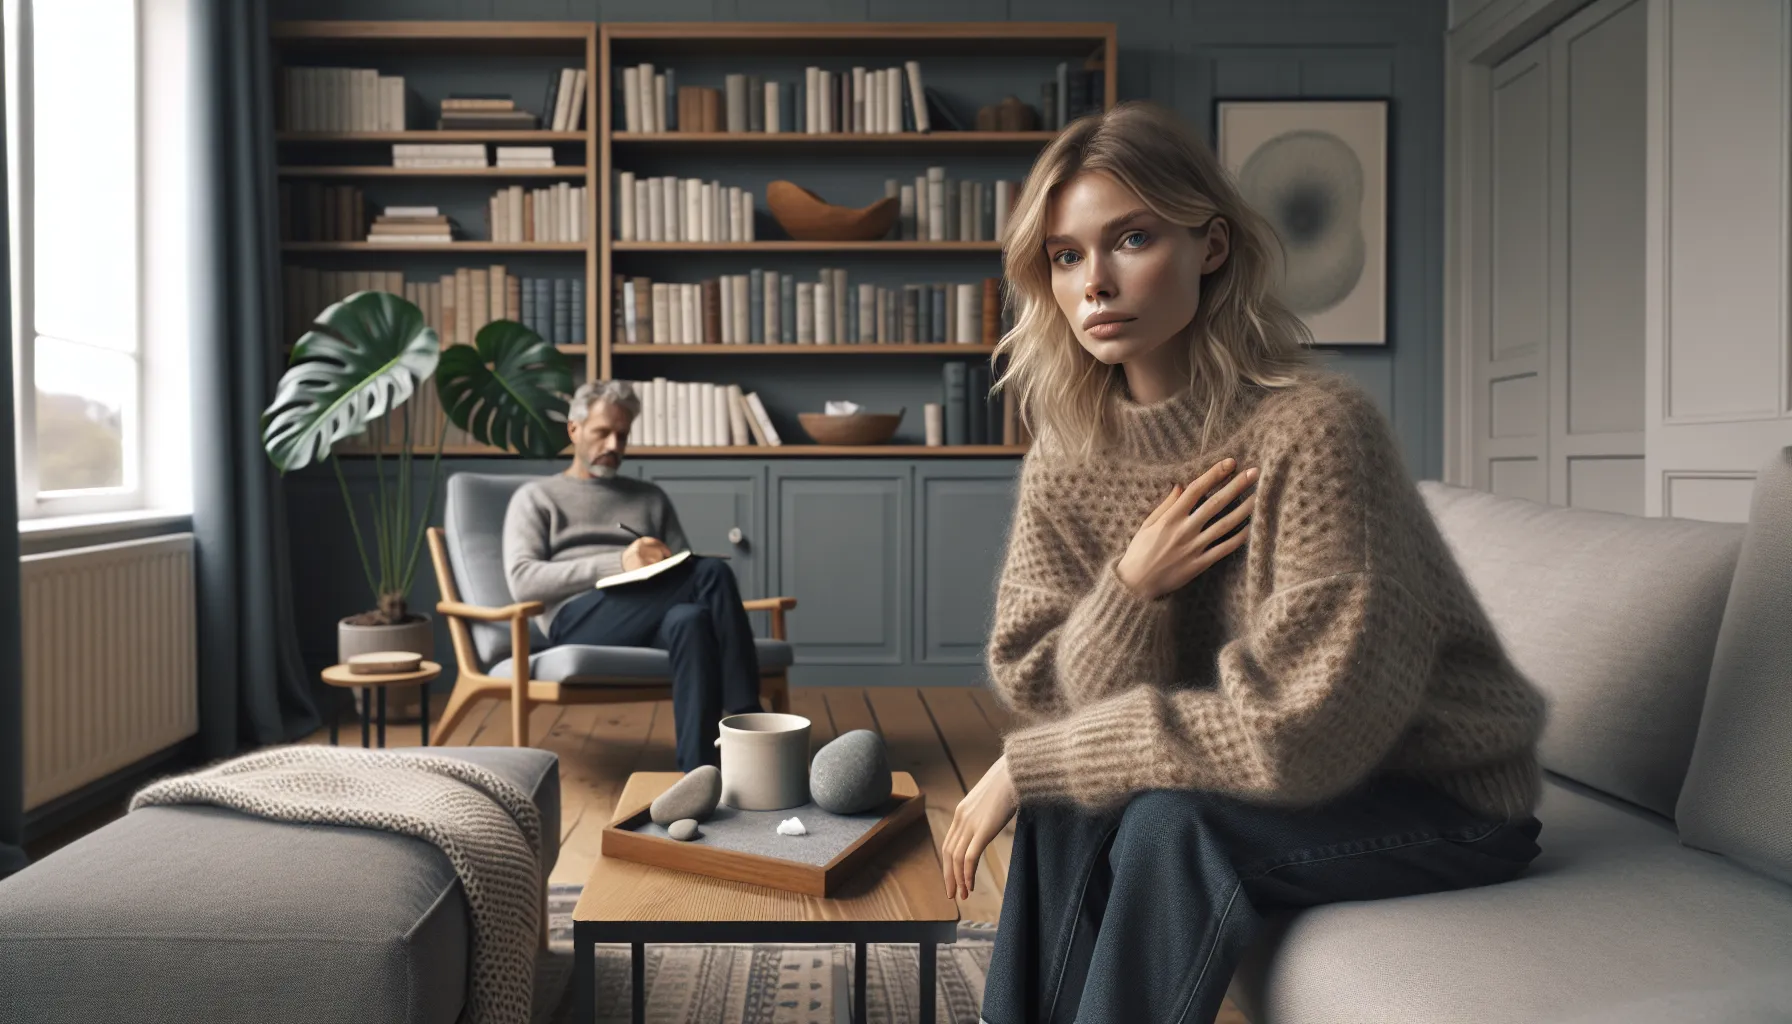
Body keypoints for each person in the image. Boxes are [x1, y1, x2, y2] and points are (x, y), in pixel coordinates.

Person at [944, 100, 1549, 1024]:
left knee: (1161, 821)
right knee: (1075, 791)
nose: (1094, 283)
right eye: (1066, 256)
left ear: (1211, 247)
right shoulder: (1066, 455)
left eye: (1132, 238)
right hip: (1268, 772)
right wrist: (1130, 593)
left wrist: (1031, 765)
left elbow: (1299, 736)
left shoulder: (1316, 433)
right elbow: (1047, 690)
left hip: (1435, 794)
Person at [501, 379, 763, 772]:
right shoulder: (537, 497)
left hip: (651, 610)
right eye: (602, 432)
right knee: (712, 573)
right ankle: (752, 724)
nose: (613, 446)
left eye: (621, 435)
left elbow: (682, 569)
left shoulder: (649, 497)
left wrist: (654, 564)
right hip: (578, 618)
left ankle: (700, 774)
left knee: (692, 618)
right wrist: (618, 562)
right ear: (573, 430)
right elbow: (523, 580)